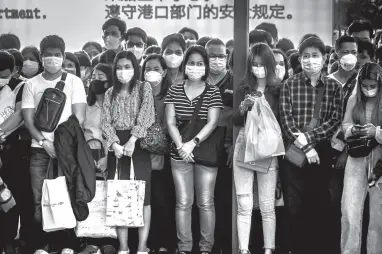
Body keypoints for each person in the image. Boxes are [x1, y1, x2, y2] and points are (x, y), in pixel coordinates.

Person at [21, 35, 87, 253]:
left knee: (67, 195)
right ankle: (43, 244)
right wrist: (43, 141)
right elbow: (28, 120)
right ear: (41, 57)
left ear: (63, 55)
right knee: (40, 197)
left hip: (66, 151)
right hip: (39, 150)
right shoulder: (32, 84)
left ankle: (66, 244)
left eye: (57, 54)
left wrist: (61, 145)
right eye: (48, 54)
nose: (52, 58)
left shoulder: (74, 82)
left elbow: (78, 118)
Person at [279, 36, 343, 254]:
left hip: (322, 151)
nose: (310, 61)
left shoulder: (335, 87)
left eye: (315, 56)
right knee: (293, 203)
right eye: (305, 56)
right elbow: (286, 121)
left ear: (324, 59)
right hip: (295, 151)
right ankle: (295, 248)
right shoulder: (289, 84)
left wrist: (311, 138)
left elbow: (335, 119)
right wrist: (306, 147)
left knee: (318, 201)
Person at [164, 45, 223, 254]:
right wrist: (181, 146)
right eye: (191, 63)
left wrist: (192, 143)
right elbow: (170, 122)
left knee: (206, 202)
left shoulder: (213, 91)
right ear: (185, 65)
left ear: (206, 67)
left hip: (204, 152)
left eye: (200, 64)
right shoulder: (174, 89)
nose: (195, 67)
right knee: (183, 202)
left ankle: (206, 248)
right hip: (179, 154)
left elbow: (213, 122)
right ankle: (184, 248)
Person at [101, 51, 155, 254]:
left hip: (138, 145)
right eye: (120, 67)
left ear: (135, 67)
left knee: (143, 196)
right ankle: (123, 247)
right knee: (119, 195)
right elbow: (105, 121)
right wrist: (114, 143)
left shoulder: (144, 88)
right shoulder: (109, 92)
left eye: (128, 66)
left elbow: (147, 114)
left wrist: (133, 139)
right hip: (116, 148)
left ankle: (142, 246)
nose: (124, 71)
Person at [233, 43, 280, 254]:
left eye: (262, 64)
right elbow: (234, 120)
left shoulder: (278, 89)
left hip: (268, 147)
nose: (258, 68)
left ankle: (268, 249)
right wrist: (243, 107)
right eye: (254, 64)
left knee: (267, 205)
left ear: (270, 65)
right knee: (244, 203)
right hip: (245, 143)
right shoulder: (243, 87)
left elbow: (281, 120)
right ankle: (244, 250)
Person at [341, 62, 382, 254]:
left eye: (372, 86)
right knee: (350, 210)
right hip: (357, 157)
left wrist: (376, 132)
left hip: (380, 159)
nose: (368, 90)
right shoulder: (353, 99)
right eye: (364, 85)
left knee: (378, 215)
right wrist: (353, 130)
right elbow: (345, 126)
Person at [326, 35, 359, 254]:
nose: (350, 56)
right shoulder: (327, 81)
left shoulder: (362, 83)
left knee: (348, 207)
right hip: (325, 149)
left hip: (352, 152)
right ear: (336, 54)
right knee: (329, 201)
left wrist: (346, 151)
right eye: (345, 51)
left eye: (354, 52)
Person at [80, 63, 118, 254]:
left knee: (109, 196)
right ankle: (90, 240)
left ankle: (109, 240)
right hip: (88, 155)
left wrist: (107, 158)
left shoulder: (117, 104)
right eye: (94, 75)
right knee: (91, 197)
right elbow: (80, 133)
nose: (96, 79)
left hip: (111, 155)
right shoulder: (86, 107)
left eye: (101, 76)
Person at [0, 50, 33, 254]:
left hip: (11, 152)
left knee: (10, 198)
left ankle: (9, 240)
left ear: (14, 71)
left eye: (3, 74)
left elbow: (20, 114)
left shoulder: (21, 87)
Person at [140, 54, 173, 254]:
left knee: (162, 201)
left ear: (164, 72)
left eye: (156, 68)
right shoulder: (138, 95)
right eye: (147, 68)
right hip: (140, 156)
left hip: (164, 157)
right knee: (144, 201)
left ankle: (163, 243)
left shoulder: (170, 96)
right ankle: (145, 243)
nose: (152, 72)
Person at [205, 38, 233, 254]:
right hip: (200, 151)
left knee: (223, 200)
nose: (216, 60)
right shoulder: (196, 81)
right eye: (211, 56)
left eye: (221, 56)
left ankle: (223, 244)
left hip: (225, 152)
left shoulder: (234, 82)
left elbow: (237, 117)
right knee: (203, 201)